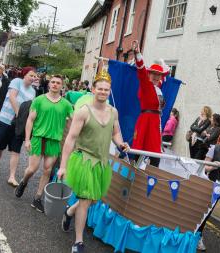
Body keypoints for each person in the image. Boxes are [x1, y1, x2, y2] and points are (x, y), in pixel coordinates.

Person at [57, 70, 129, 253]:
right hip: (83, 161)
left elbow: (115, 132)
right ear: (94, 90)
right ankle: (78, 242)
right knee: (84, 200)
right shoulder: (84, 112)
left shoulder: (113, 112)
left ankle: (69, 212)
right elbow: (71, 139)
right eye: (100, 89)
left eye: (106, 90)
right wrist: (63, 165)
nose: (103, 92)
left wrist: (121, 143)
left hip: (102, 163)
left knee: (93, 200)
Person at [14, 75, 74, 212]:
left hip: (54, 141)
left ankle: (37, 198)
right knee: (32, 169)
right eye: (53, 82)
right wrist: (27, 139)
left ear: (61, 86)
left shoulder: (66, 104)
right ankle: (24, 182)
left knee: (47, 170)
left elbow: (74, 119)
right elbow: (30, 120)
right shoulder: (39, 100)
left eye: (58, 83)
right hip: (38, 138)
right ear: (49, 84)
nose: (55, 84)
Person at [0, 68, 36, 186]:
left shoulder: (33, 91)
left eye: (35, 76)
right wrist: (18, 114)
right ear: (25, 75)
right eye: (31, 75)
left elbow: (30, 108)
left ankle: (12, 176)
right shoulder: (16, 81)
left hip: (19, 125)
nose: (33, 78)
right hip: (5, 120)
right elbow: (12, 97)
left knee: (16, 150)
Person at [131, 42, 169, 167]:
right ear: (149, 74)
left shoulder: (159, 88)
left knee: (156, 155)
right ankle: (134, 173)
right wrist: (138, 54)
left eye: (159, 75)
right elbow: (141, 71)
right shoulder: (146, 85)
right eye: (153, 74)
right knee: (139, 151)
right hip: (146, 121)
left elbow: (165, 74)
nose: (156, 77)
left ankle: (151, 177)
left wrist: (162, 65)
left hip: (155, 123)